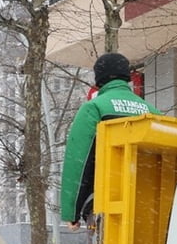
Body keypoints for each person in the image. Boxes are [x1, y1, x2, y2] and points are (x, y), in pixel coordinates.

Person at [59, 53, 161, 227]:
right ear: (127, 76)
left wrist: (72, 213)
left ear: (98, 78)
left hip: (107, 207)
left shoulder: (94, 108)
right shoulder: (153, 112)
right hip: (147, 208)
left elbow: (78, 162)